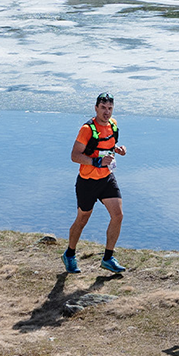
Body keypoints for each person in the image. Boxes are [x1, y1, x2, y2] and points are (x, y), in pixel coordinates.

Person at [63, 92, 127, 274]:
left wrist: (118, 150)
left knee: (118, 215)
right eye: (103, 108)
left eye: (110, 108)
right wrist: (97, 162)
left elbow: (105, 146)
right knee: (82, 219)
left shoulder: (113, 124)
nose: (106, 112)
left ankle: (108, 258)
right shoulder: (87, 129)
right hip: (87, 181)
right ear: (96, 108)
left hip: (106, 178)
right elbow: (75, 156)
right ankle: (69, 254)